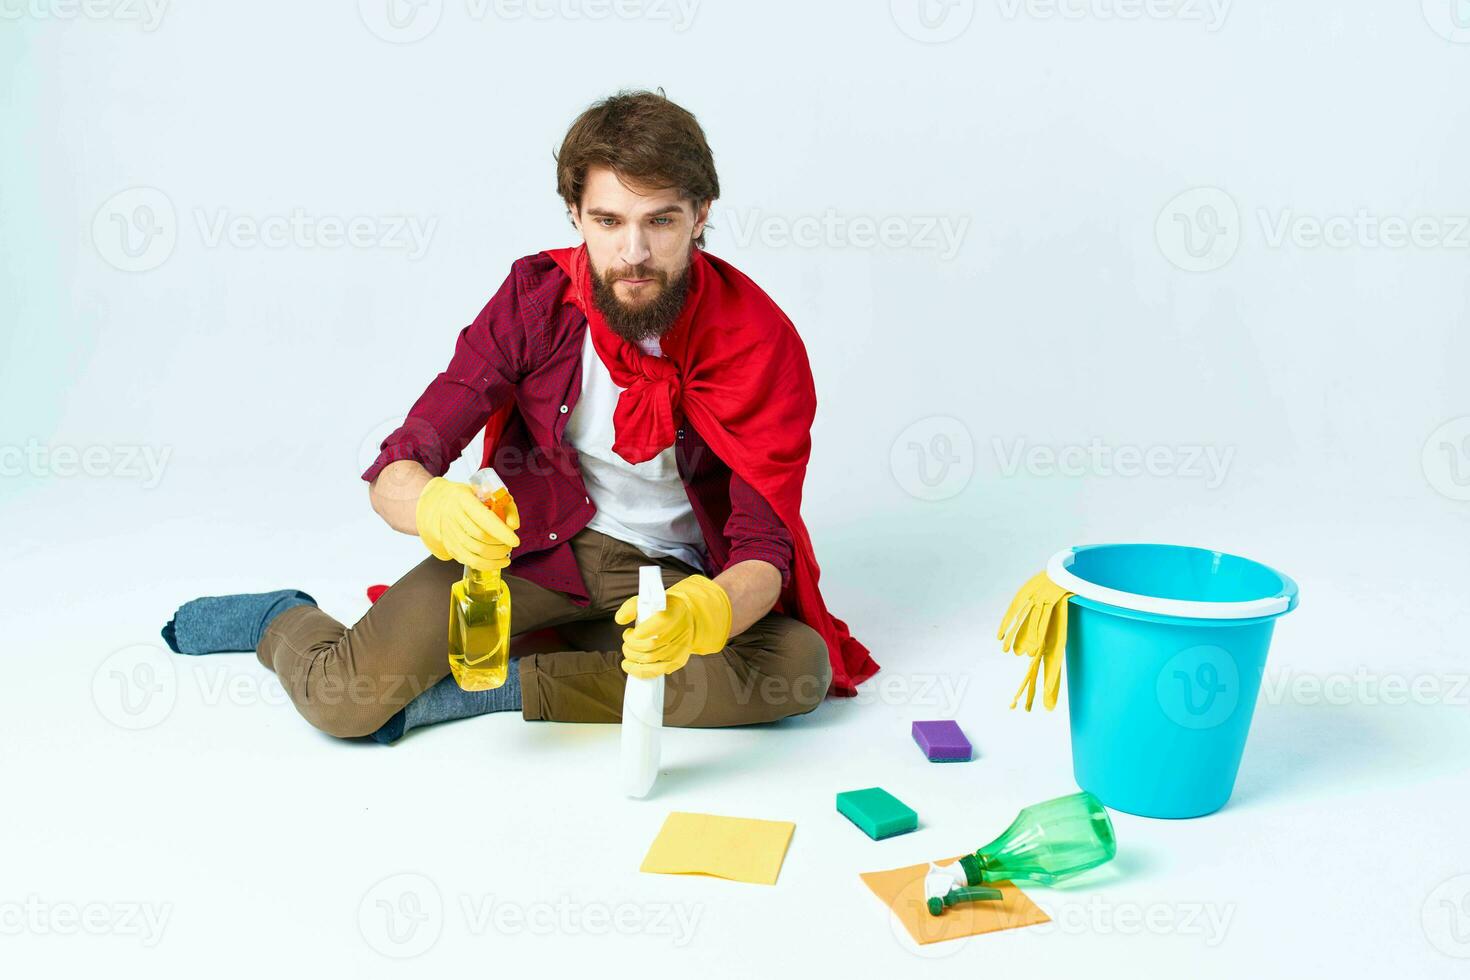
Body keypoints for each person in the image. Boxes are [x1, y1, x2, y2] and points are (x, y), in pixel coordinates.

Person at [162, 90, 877, 744]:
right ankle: (275, 619)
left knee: (797, 669)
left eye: (660, 220)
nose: (634, 253)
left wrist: (709, 614)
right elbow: (403, 457)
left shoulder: (759, 342)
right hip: (537, 550)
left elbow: (763, 550)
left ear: (702, 212)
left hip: (668, 576)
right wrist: (432, 504)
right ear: (575, 216)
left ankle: (504, 688)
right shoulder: (536, 301)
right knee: (344, 700)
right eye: (608, 221)